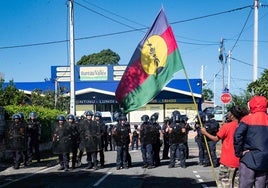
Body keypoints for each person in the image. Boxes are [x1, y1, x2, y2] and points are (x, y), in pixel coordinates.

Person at [201, 105, 249, 188]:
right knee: (237, 185)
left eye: (229, 113)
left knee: (224, 185)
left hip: (227, 161)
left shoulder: (227, 126)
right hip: (240, 161)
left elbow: (216, 139)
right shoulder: (244, 126)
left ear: (232, 115)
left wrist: (205, 133)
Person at [234, 95, 268, 188]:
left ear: (250, 105)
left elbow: (237, 136)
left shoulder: (247, 119)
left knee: (245, 184)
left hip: (249, 158)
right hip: (265, 160)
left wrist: (239, 153)